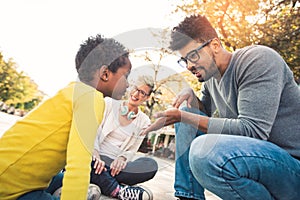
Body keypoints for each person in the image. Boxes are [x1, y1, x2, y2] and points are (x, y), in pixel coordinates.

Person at [143, 15, 300, 200]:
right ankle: (188, 196)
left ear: (215, 45)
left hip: (291, 168)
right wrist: (192, 101)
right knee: (187, 113)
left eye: (193, 56)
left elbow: (253, 131)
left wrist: (183, 117)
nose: (189, 66)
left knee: (205, 153)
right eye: (184, 60)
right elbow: (204, 119)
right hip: (257, 161)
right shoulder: (211, 79)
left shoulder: (257, 60)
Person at [0, 34, 132, 200]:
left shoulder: (75, 91)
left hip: (13, 172)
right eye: (125, 76)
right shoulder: (91, 99)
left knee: (59, 180)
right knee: (70, 185)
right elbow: (78, 163)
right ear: (105, 73)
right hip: (10, 187)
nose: (128, 84)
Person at [90, 75, 158, 200]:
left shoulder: (144, 121)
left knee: (151, 165)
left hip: (116, 167)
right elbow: (93, 130)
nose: (136, 94)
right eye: (135, 88)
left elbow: (132, 149)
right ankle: (117, 190)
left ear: (147, 98)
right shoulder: (109, 103)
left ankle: (99, 179)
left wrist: (122, 158)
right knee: (87, 158)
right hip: (95, 157)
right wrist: (95, 154)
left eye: (142, 93)